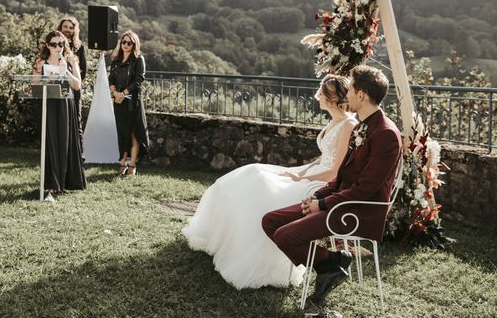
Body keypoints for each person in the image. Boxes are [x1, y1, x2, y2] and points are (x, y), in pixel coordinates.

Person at [182, 75, 357, 289]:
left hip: (321, 184)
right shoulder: (335, 121)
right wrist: (300, 170)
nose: (317, 95)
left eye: (321, 92)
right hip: (312, 173)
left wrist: (301, 177)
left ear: (331, 98)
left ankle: (258, 261)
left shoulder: (348, 124)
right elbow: (324, 158)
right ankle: (225, 240)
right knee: (254, 172)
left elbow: (334, 171)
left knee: (263, 187)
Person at [262, 65, 402, 304]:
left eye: (351, 88)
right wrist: (317, 197)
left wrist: (324, 204)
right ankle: (333, 263)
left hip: (358, 210)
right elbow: (342, 176)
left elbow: (365, 189)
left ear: (361, 95)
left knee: (285, 236)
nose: (347, 94)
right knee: (270, 221)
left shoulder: (385, 133)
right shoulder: (361, 126)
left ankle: (330, 265)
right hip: (341, 201)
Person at [33, 30, 86, 197]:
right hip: (48, 103)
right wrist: (38, 71)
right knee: (51, 141)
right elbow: (34, 84)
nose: (58, 47)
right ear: (48, 46)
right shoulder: (41, 61)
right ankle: (51, 182)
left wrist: (66, 70)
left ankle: (64, 182)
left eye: (61, 44)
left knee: (64, 141)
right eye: (54, 44)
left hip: (65, 104)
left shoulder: (71, 60)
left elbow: (77, 85)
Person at [108, 30, 149, 176]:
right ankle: (122, 163)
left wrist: (123, 93)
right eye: (123, 42)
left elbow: (139, 80)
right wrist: (114, 93)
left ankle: (131, 165)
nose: (126, 45)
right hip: (118, 101)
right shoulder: (115, 60)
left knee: (133, 134)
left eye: (129, 42)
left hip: (132, 102)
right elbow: (111, 78)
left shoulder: (139, 59)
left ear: (134, 44)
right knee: (122, 133)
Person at [57, 17, 87, 148]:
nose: (68, 30)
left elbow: (84, 71)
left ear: (74, 30)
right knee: (59, 123)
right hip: (56, 90)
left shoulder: (80, 48)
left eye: (71, 27)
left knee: (76, 123)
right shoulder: (54, 44)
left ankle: (79, 156)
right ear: (60, 28)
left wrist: (72, 81)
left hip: (74, 90)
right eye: (65, 27)